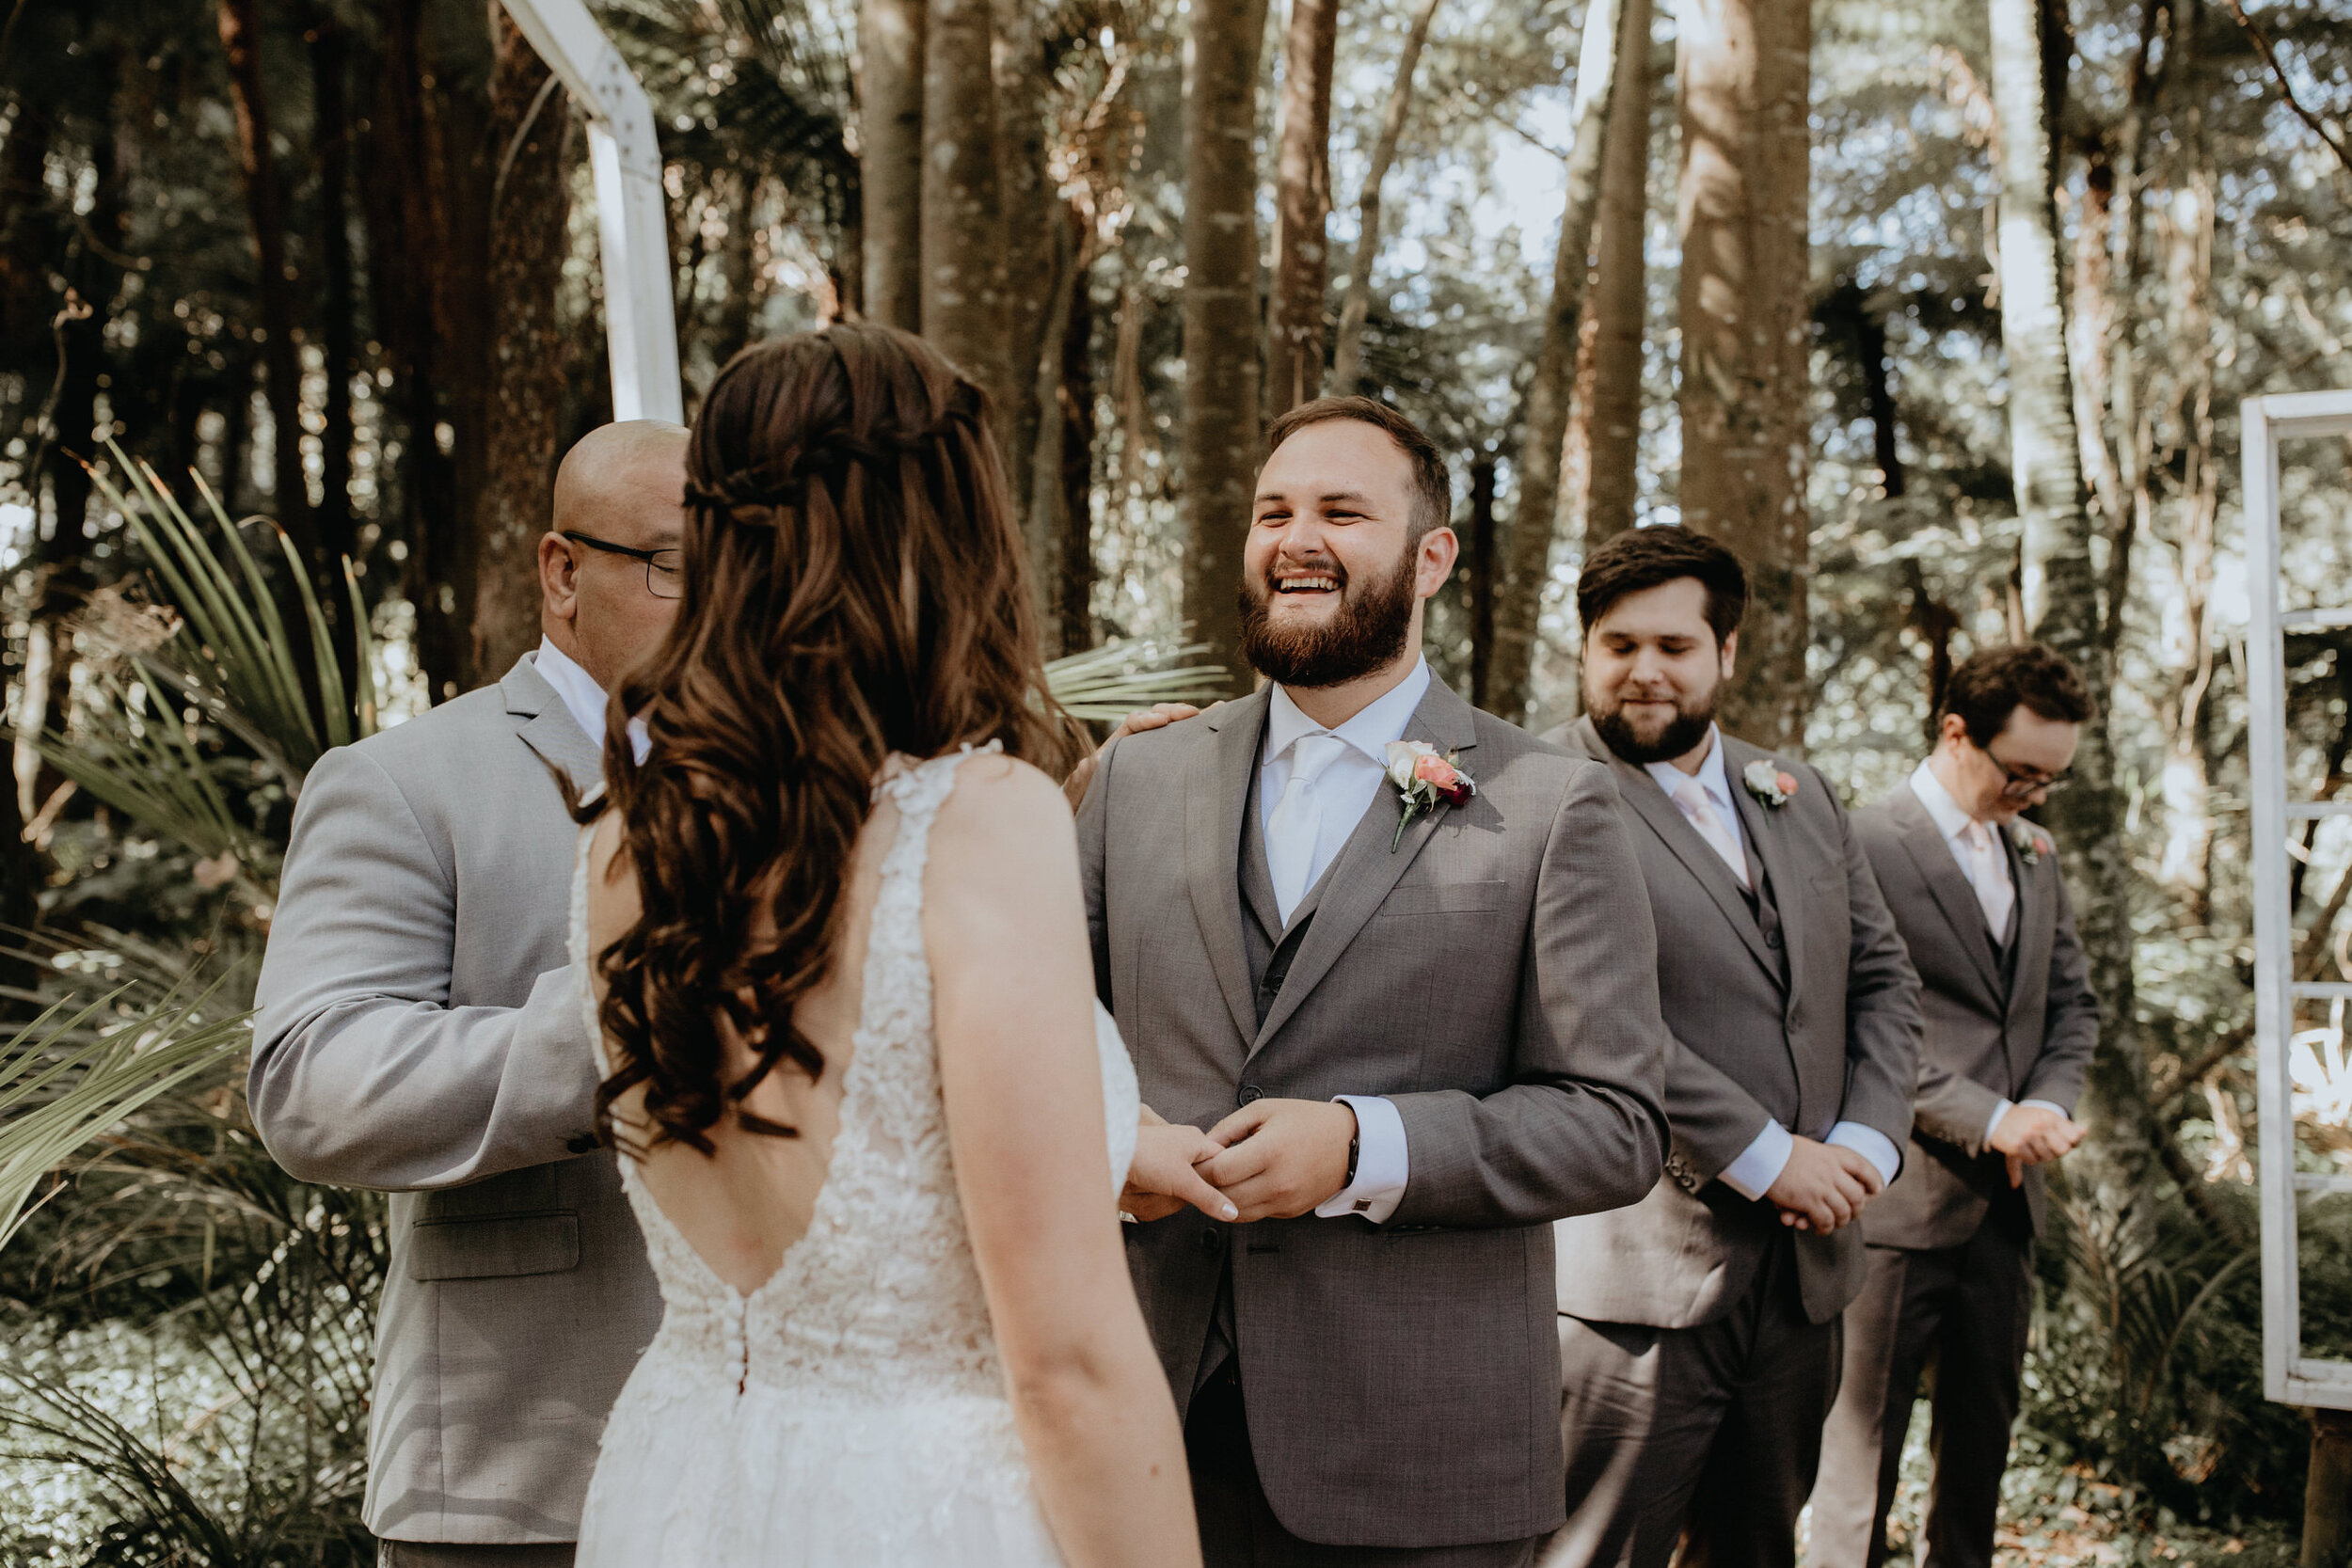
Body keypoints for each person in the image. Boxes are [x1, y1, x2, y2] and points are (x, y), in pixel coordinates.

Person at [568, 325, 1204, 1568]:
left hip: (681, 1485)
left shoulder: (622, 841)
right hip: (919, 1510)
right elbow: (1069, 1361)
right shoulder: (983, 819)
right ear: (943, 533)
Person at [1076, 394, 1673, 1568]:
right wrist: (1108, 1149)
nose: (1295, 538)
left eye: (1342, 511)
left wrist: (1362, 1149)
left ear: (1430, 556)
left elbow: (1617, 1124)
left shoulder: (1553, 803)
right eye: (1272, 512)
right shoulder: (1134, 778)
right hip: (1135, 1436)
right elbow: (1046, 1037)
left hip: (1417, 1464)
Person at [250, 419, 691, 1564]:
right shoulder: (403, 783)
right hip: (519, 1479)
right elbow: (312, 1077)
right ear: (561, 572)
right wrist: (620, 1025)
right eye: (674, 565)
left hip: (783, 1472)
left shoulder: (814, 786)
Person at [1541, 525, 1921, 1568]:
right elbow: (1583, 1010)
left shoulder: (1796, 793)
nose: (1645, 670)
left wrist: (1865, 1147)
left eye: (1674, 644)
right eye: (1618, 645)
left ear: (1726, 656)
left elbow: (1884, 980)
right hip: (1636, 1283)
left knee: (1758, 1549)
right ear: (1585, 651)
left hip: (1806, 1283)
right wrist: (1765, 1155)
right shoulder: (1535, 795)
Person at [1808, 643, 2100, 1568]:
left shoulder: (2035, 851)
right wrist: (1986, 1114)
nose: (2036, 794)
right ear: (1954, 730)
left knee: (1978, 1460)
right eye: (2022, 772)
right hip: (1895, 1207)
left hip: (2007, 1208)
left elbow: (2072, 1004)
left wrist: (2043, 1108)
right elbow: (1853, 1019)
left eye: (2052, 778)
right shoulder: (1862, 840)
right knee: (1860, 1466)